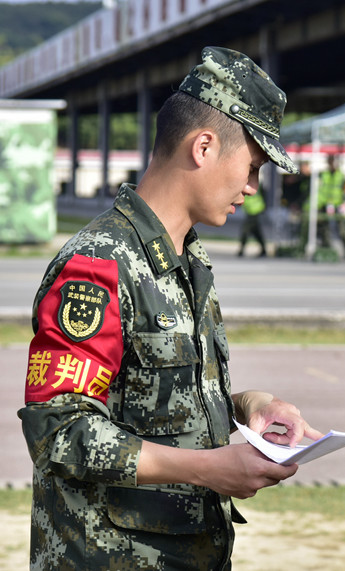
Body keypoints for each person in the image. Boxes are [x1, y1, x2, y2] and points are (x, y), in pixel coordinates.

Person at [19, 46, 323, 570]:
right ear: (204, 147)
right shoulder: (99, 265)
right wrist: (209, 468)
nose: (253, 188)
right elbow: (60, 431)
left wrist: (252, 406)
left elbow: (151, 402)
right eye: (252, 166)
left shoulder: (183, 259)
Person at [318, 154, 345, 255]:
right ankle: (327, 248)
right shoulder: (324, 174)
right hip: (325, 204)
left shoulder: (341, 175)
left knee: (342, 229)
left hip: (338, 204)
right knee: (324, 228)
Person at [238, 187, 268, 257]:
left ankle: (241, 250)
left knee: (245, 229)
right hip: (252, 209)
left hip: (254, 209)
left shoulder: (251, 184)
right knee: (255, 231)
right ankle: (264, 250)